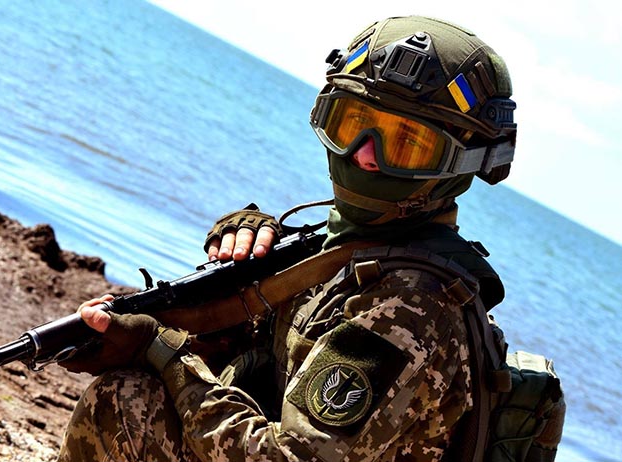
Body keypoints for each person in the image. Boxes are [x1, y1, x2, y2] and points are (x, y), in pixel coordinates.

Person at [56, 15, 518, 462]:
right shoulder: (350, 251)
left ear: (463, 162)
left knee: (125, 403)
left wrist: (162, 351)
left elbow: (293, 456)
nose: (365, 156)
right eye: (353, 124)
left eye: (407, 144)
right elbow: (266, 366)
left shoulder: (413, 303)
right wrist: (237, 281)